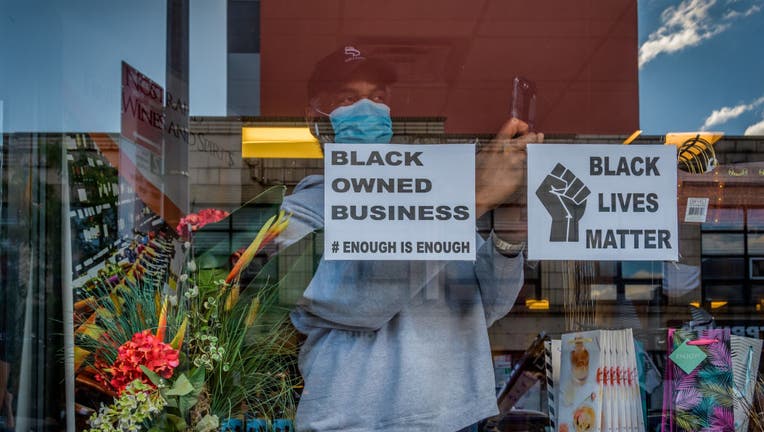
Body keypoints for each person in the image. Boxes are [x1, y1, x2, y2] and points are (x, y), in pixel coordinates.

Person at [279, 45, 543, 431]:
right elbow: (360, 300)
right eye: (349, 98)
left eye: (378, 97)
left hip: (459, 418)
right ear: (314, 117)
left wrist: (507, 237)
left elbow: (484, 306)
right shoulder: (296, 214)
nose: (367, 108)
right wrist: (472, 198)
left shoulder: (434, 194)